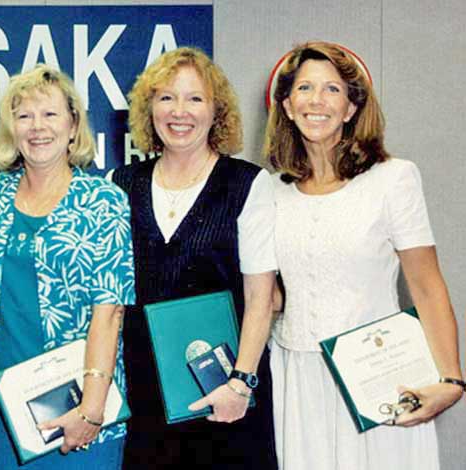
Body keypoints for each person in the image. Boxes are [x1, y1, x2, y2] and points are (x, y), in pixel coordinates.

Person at [263, 41, 464, 470]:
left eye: (332, 90)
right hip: (298, 379)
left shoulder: (393, 179)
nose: (317, 101)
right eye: (304, 88)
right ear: (286, 103)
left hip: (378, 375)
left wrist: (450, 380)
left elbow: (427, 287)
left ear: (352, 107)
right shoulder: (271, 191)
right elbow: (275, 293)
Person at [112, 47, 278, 468]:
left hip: (226, 395)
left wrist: (241, 383)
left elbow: (262, 298)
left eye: (194, 98)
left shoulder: (248, 184)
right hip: (145, 400)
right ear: (149, 109)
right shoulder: (121, 183)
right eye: (166, 97)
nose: (179, 111)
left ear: (216, 111)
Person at [0, 64, 135, 469]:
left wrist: (92, 410)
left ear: (74, 122)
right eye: (24, 116)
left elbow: (110, 311)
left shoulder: (103, 200)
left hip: (77, 407)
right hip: (1, 410)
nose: (37, 127)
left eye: (50, 114)